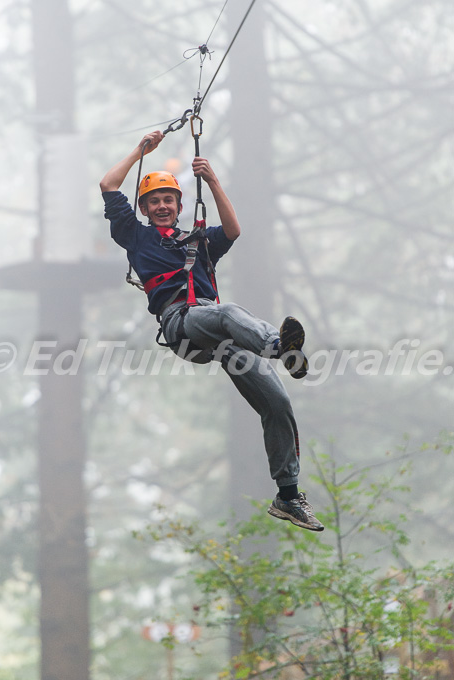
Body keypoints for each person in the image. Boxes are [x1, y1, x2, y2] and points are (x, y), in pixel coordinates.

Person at [100, 130, 324, 532]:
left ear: (178, 204)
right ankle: (279, 347)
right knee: (226, 312)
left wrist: (213, 181)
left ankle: (288, 496)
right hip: (182, 323)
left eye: (168, 199)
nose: (163, 205)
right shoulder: (135, 236)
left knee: (277, 403)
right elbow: (108, 185)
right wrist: (140, 151)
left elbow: (234, 230)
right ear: (146, 209)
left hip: (220, 341)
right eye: (155, 201)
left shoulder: (197, 241)